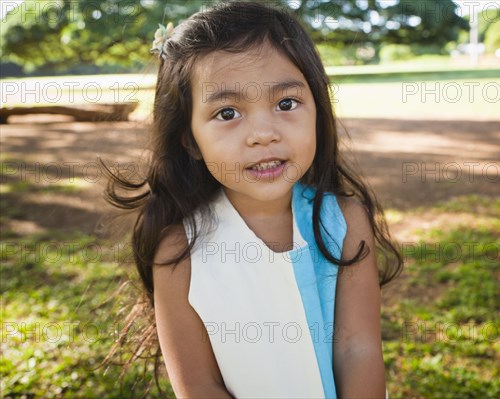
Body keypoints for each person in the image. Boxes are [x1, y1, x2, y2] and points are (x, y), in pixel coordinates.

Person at [103, 2, 402, 397]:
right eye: (227, 112)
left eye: (285, 104)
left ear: (317, 106)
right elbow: (199, 386)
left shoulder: (344, 220)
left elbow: (358, 348)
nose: (263, 133)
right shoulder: (178, 250)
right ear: (189, 138)